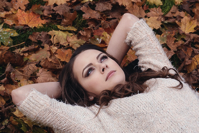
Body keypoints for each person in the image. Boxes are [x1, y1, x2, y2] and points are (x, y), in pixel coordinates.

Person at [11, 13, 199, 132]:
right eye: (89, 71)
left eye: (103, 59)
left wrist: (109, 64)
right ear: (87, 95)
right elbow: (21, 95)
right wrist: (68, 87)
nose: (103, 66)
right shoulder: (95, 120)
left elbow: (129, 22)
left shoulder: (157, 75)